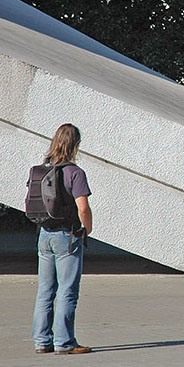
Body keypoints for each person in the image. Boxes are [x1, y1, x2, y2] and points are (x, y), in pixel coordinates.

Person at [32, 124, 93, 354]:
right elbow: (83, 208)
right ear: (75, 144)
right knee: (67, 290)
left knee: (45, 290)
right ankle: (64, 343)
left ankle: (42, 341)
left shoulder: (43, 170)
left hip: (44, 235)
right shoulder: (74, 173)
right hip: (66, 236)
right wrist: (87, 228)